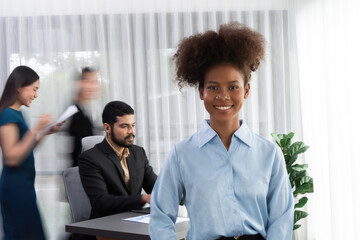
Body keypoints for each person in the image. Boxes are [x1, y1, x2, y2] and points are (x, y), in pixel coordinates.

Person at [149, 22, 294, 240]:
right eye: (213, 87)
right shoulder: (182, 155)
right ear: (201, 92)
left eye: (233, 87)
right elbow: (160, 219)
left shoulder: (269, 154)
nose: (223, 96)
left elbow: (281, 219)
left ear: (246, 90)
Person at [0, 66, 62, 239]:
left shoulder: (17, 114)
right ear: (19, 86)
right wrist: (36, 129)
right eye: (34, 89)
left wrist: (44, 133)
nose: (36, 95)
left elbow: (24, 150)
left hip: (24, 188)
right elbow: (12, 157)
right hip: (15, 189)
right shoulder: (7, 115)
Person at [78, 101, 157, 220]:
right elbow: (101, 201)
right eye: (124, 126)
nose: (131, 131)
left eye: (133, 125)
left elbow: (155, 186)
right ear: (107, 128)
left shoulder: (138, 152)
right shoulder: (90, 158)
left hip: (134, 221)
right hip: (107, 225)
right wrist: (142, 198)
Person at [68, 67, 100, 166]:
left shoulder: (86, 109)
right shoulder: (74, 110)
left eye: (94, 82)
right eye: (88, 81)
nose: (92, 86)